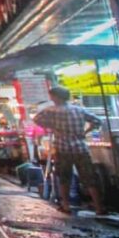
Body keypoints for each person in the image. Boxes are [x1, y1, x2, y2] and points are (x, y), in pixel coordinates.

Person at [33, 86, 106, 215]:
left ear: (56, 97)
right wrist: (85, 131)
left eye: (52, 96)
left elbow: (36, 120)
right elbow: (97, 121)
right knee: (89, 178)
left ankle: (66, 205)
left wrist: (51, 126)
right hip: (81, 148)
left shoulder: (51, 111)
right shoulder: (79, 110)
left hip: (63, 148)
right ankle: (99, 207)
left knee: (64, 177)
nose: (51, 98)